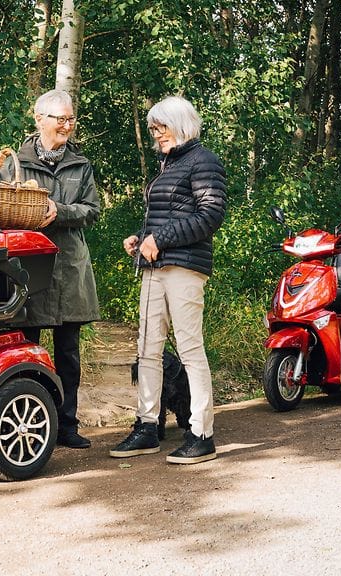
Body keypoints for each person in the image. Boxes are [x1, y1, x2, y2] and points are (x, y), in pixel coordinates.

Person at [109, 96, 227, 464]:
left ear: (180, 124)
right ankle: (147, 427)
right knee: (147, 349)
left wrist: (161, 239)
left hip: (185, 267)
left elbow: (211, 215)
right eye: (153, 129)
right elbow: (165, 215)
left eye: (161, 127)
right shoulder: (166, 164)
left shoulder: (203, 160)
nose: (156, 134)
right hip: (154, 269)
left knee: (190, 349)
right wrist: (140, 237)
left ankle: (201, 432)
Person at [0, 89, 101, 449]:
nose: (66, 125)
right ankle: (33, 422)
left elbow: (92, 210)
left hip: (68, 267)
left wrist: (59, 212)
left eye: (71, 119)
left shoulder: (80, 164)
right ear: (39, 119)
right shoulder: (14, 161)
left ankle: (67, 426)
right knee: (26, 349)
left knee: (68, 354)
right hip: (26, 268)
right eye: (59, 119)